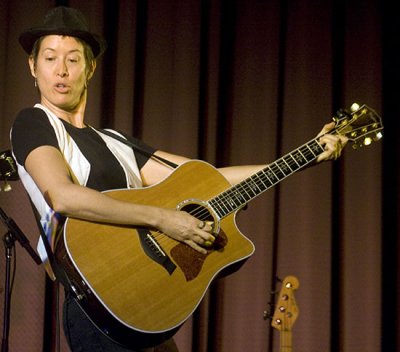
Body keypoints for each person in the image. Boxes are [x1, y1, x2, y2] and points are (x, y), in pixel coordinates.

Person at [10, 6, 347, 352]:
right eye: (50, 59)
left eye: (73, 60)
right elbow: (64, 197)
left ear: (91, 68)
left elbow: (210, 181)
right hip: (98, 310)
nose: (61, 71)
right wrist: (164, 219)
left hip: (146, 308)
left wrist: (308, 155)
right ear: (33, 68)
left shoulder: (114, 141)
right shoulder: (33, 123)